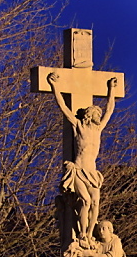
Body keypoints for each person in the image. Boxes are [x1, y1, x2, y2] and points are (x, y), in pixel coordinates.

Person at [47, 72, 118, 242]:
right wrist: (54, 86)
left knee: (95, 203)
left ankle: (90, 233)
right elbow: (63, 107)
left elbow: (110, 110)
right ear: (89, 114)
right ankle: (83, 233)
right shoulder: (79, 126)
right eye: (96, 114)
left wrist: (111, 90)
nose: (98, 116)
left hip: (92, 172)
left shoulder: (98, 129)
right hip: (79, 170)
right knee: (85, 201)